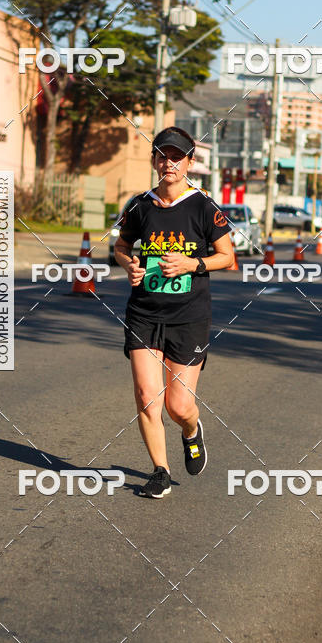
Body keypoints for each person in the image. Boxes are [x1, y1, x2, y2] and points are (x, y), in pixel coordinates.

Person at [114, 127, 234, 498]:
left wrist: (190, 264)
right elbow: (120, 246)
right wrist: (128, 264)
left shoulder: (204, 207)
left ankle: (191, 430)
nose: (169, 163)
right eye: (162, 156)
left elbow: (228, 258)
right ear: (154, 160)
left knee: (179, 405)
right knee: (147, 394)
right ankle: (160, 471)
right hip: (144, 314)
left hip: (189, 316)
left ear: (189, 163)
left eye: (177, 157)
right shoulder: (139, 205)